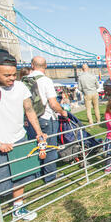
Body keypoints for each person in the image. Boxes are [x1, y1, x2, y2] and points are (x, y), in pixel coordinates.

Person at [0, 52, 46, 221]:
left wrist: (39, 132)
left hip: (18, 138)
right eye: (7, 75)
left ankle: (18, 207)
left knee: (20, 176)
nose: (12, 78)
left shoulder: (21, 87)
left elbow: (29, 110)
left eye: (14, 74)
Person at [24, 56, 68, 184]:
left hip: (31, 119)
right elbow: (53, 103)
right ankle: (50, 176)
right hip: (46, 117)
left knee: (36, 146)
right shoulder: (46, 81)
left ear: (32, 65)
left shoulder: (24, 80)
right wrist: (62, 111)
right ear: (46, 66)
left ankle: (37, 174)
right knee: (49, 147)